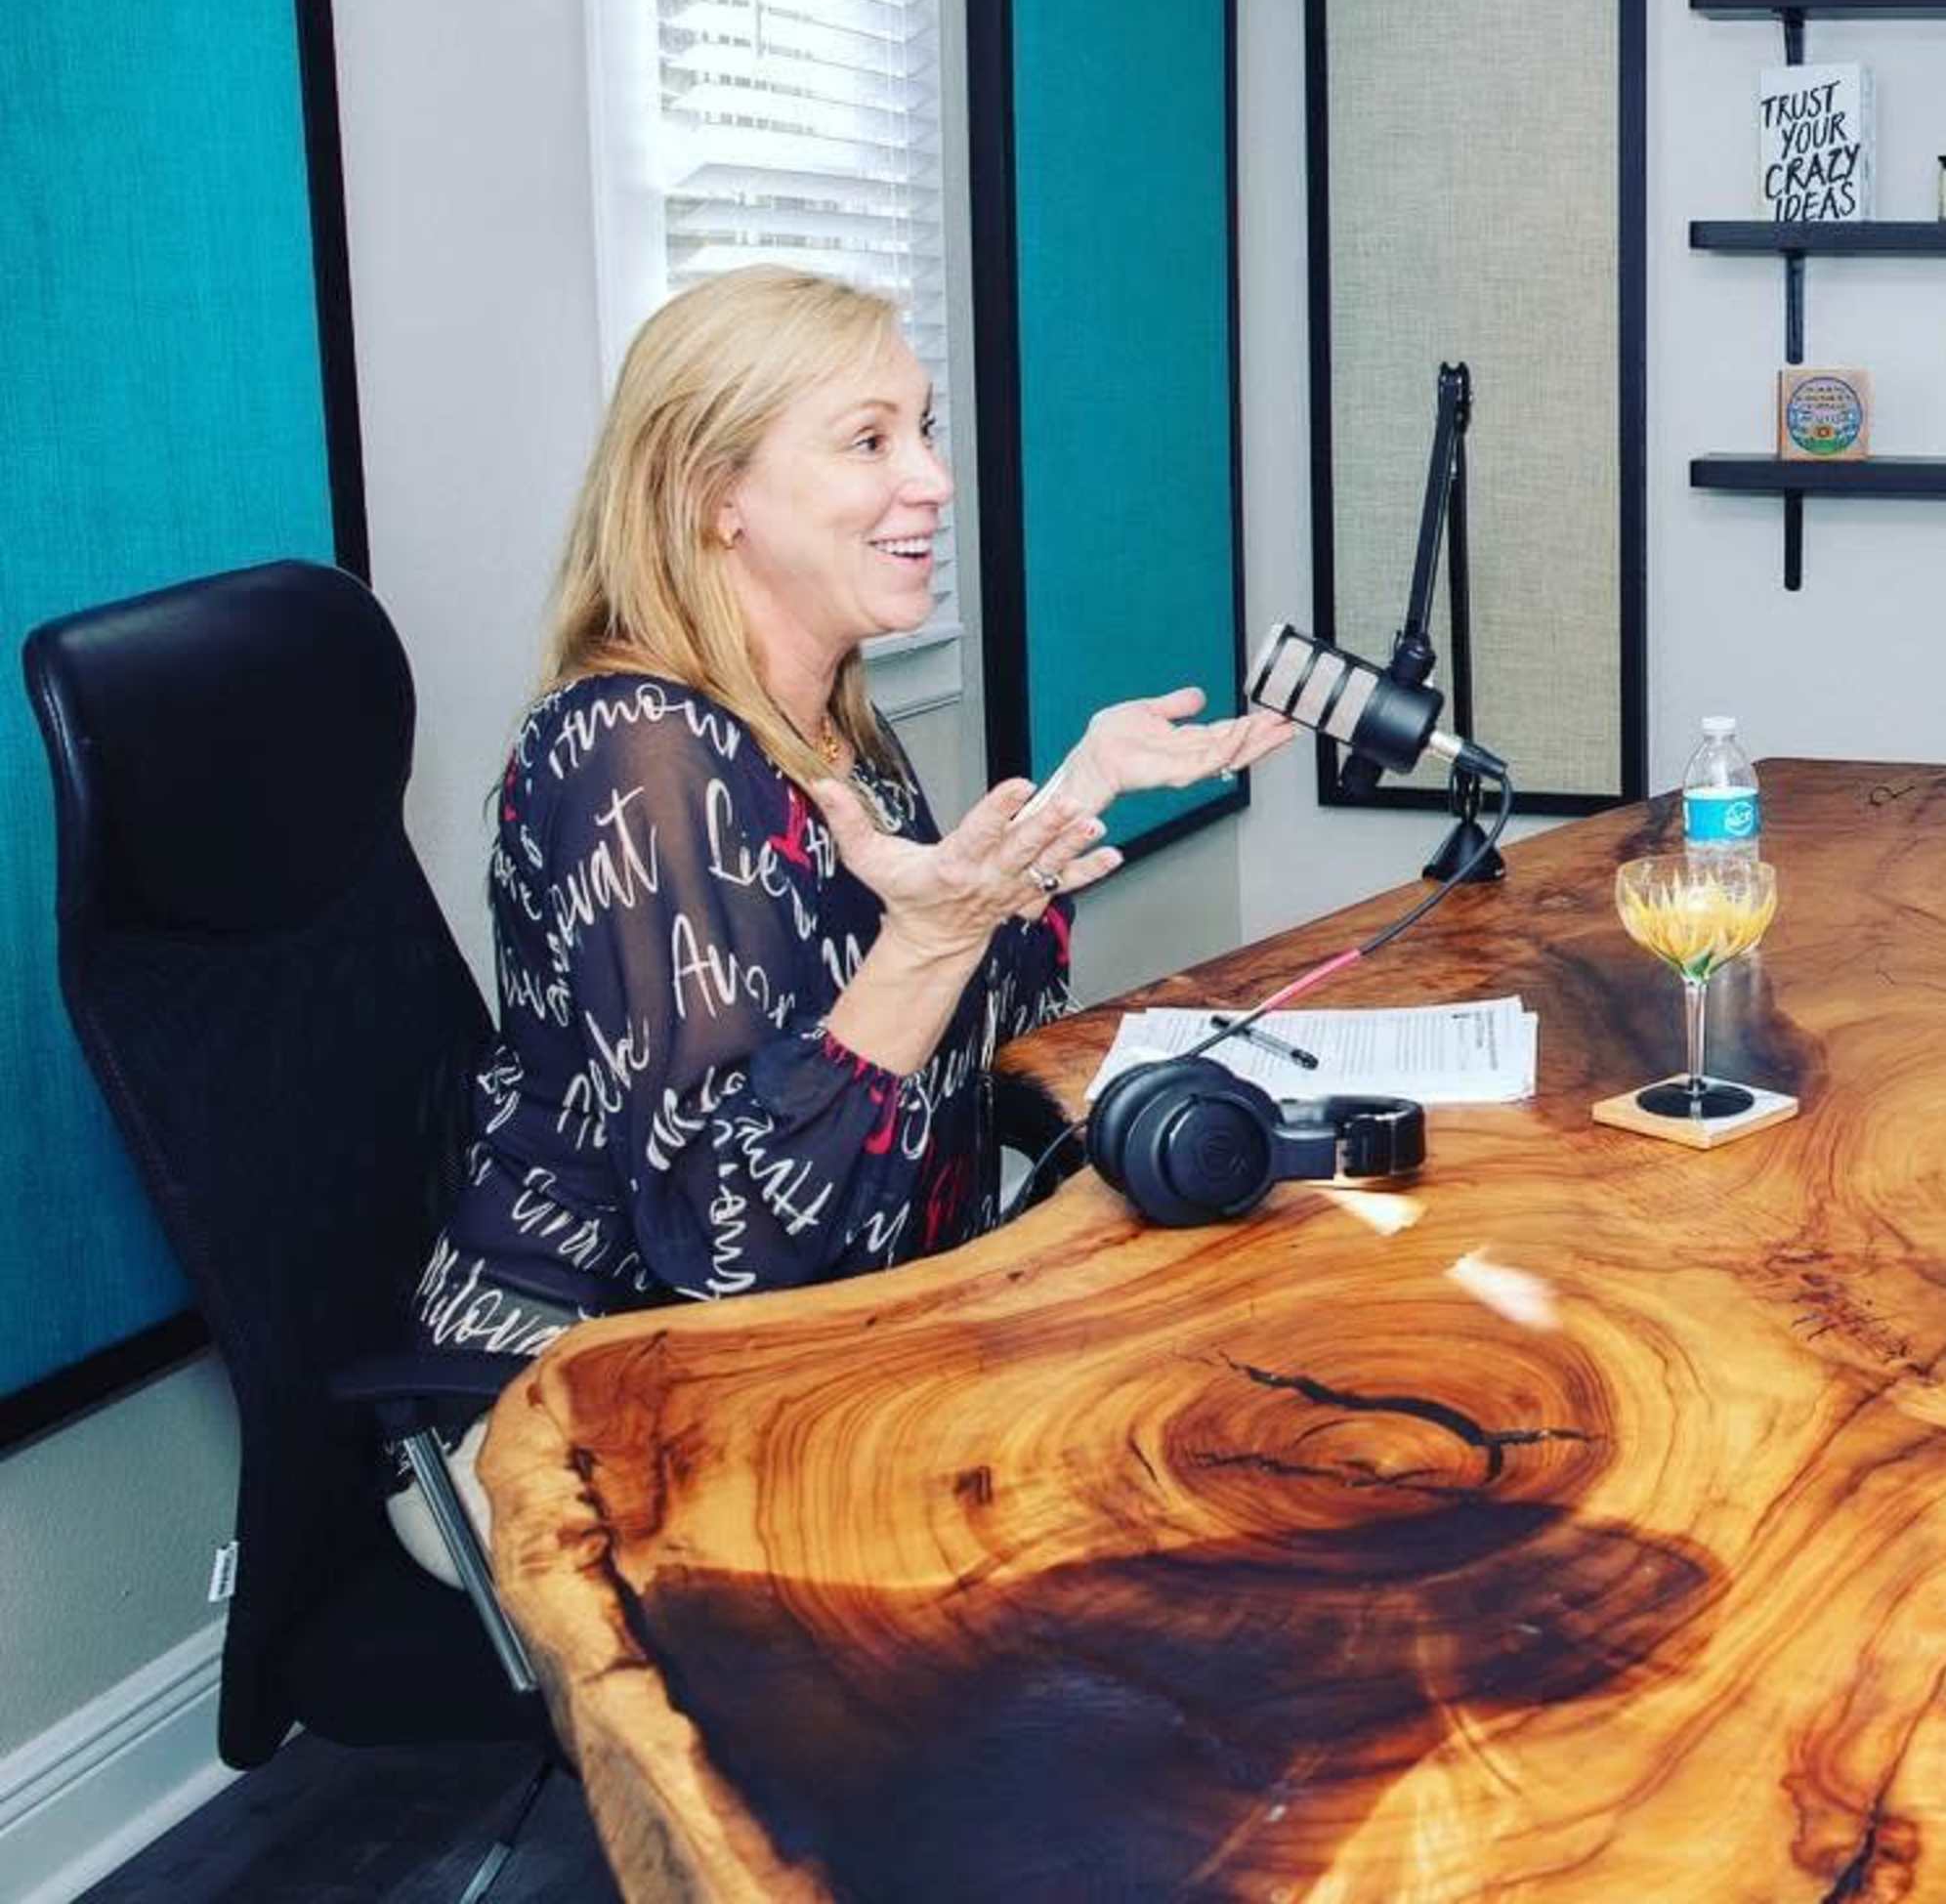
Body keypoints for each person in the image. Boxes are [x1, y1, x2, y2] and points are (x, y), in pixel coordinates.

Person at [397, 269, 1290, 1573]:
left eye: (921, 430)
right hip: (584, 1395)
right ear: (715, 495)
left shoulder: (828, 728)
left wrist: (1073, 797)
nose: (932, 479)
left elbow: (966, 1044)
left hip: (824, 1324)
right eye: (869, 442)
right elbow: (725, 1243)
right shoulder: (636, 756)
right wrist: (930, 942)